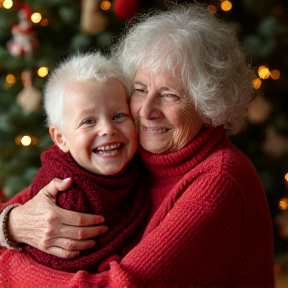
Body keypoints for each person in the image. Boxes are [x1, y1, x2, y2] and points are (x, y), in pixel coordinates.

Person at [0, 3, 274, 288]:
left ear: (207, 104)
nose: (146, 111)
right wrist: (12, 224)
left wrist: (6, 263)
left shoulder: (219, 182)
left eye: (169, 95)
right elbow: (12, 213)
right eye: (140, 90)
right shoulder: (131, 151)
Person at [0, 52, 150, 273]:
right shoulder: (66, 194)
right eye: (88, 121)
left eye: (119, 115)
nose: (108, 129)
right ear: (61, 138)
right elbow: (58, 265)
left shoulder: (139, 164)